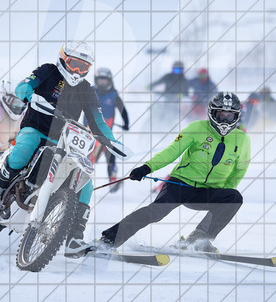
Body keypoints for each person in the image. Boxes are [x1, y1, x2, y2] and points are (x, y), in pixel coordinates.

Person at [0, 40, 122, 257]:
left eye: (83, 67)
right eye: (74, 64)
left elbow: (98, 120)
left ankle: (74, 238)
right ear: (63, 60)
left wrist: (114, 142)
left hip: (63, 141)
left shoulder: (86, 89)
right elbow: (23, 86)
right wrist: (30, 95)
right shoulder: (48, 71)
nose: (77, 71)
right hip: (36, 128)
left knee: (85, 181)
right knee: (25, 149)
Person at [95, 92, 250, 253]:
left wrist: (222, 190)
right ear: (212, 113)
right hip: (181, 185)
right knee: (156, 213)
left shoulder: (242, 139)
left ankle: (199, 239)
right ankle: (109, 239)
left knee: (234, 198)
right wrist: (147, 168)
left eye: (230, 116)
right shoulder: (197, 128)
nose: (225, 121)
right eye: (221, 115)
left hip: (207, 192)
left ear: (237, 117)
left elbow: (239, 170)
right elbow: (171, 152)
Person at [86, 67, 130, 193]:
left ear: (109, 81)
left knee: (111, 155)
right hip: (88, 130)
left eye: (104, 80)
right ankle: (79, 178)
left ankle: (113, 180)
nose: (102, 82)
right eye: (100, 80)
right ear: (96, 80)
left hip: (105, 134)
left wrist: (126, 123)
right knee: (88, 155)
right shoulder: (90, 91)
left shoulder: (114, 95)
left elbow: (122, 110)